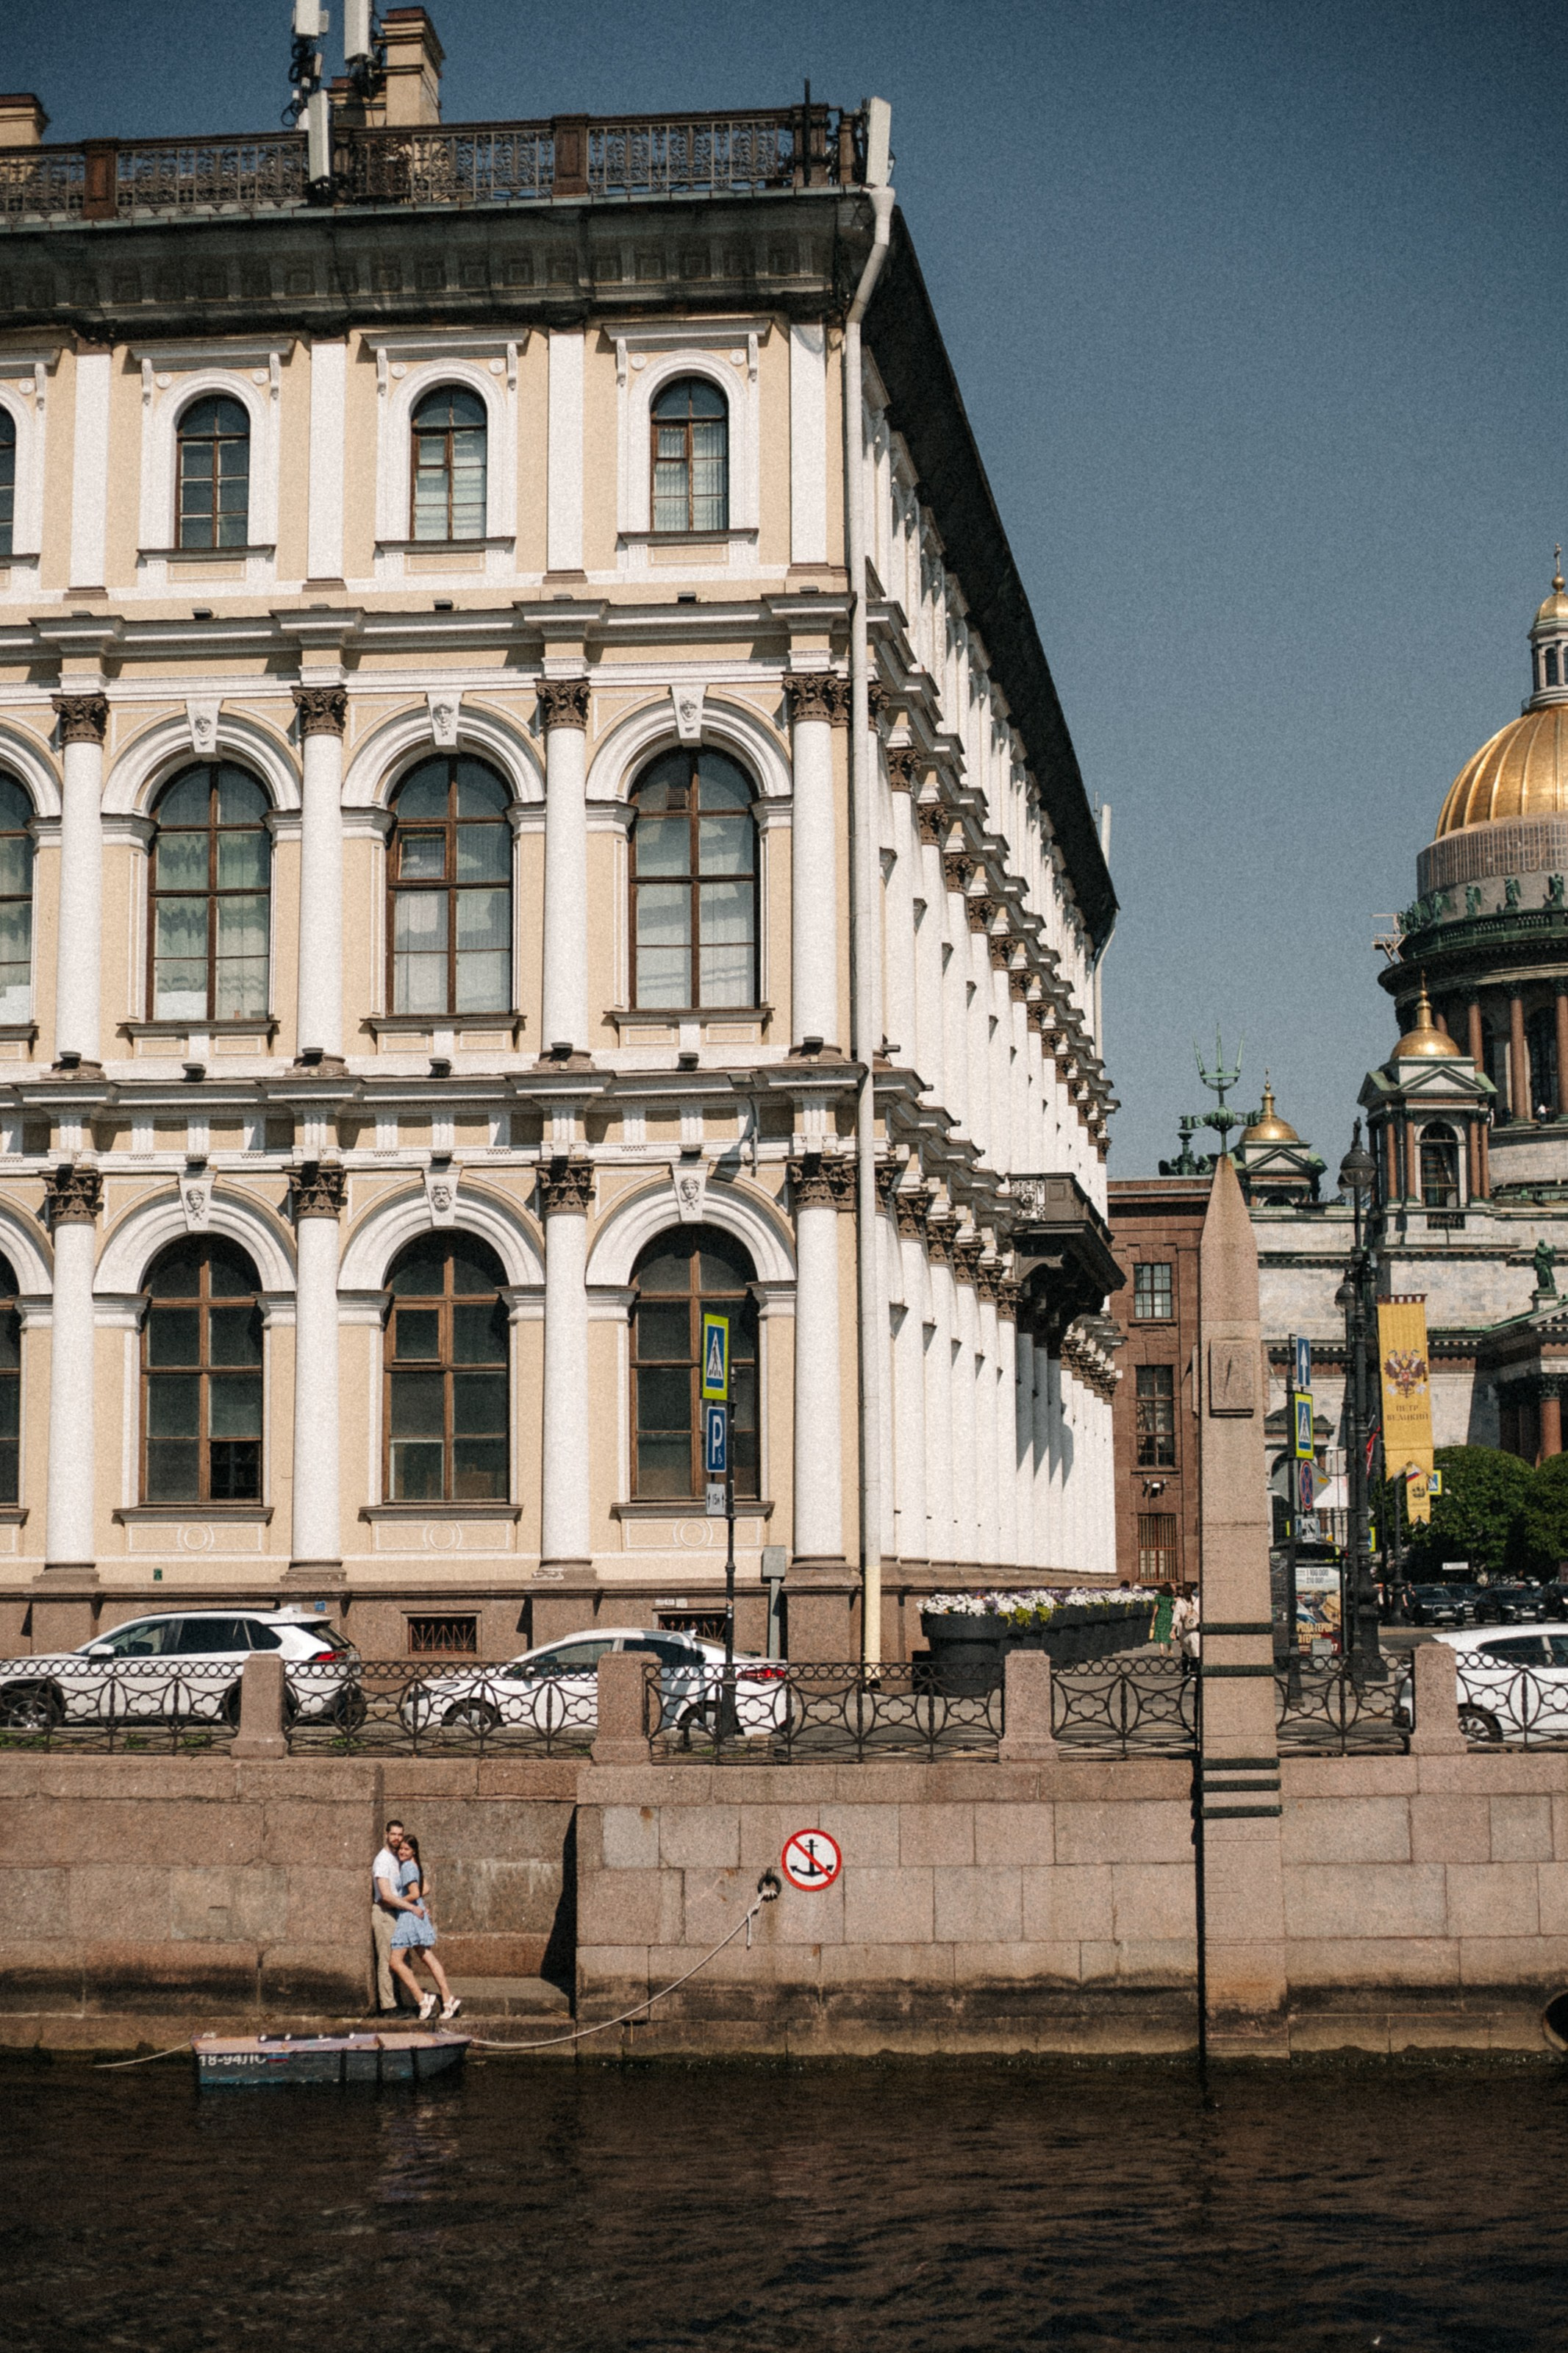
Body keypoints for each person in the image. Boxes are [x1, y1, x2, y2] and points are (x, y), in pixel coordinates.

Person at [387, 1833, 461, 2024]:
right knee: (428, 1957)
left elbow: (413, 1893)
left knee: (395, 1962)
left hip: (408, 1917)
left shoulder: (407, 1867)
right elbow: (424, 1889)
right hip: (416, 1915)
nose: (402, 1852)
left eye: (406, 1849)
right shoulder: (415, 1866)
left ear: (413, 1851)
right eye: (401, 1849)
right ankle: (447, 1999)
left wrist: (395, 1902)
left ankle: (423, 1999)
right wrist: (418, 1902)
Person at [371, 1818, 407, 2016]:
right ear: (386, 1835)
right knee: (386, 1961)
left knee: (396, 1961)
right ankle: (388, 2006)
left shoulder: (396, 1858)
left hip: (395, 1913)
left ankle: (396, 2002)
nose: (397, 1838)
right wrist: (410, 1907)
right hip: (384, 1913)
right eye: (393, 1834)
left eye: (400, 1835)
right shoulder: (383, 1860)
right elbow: (385, 1895)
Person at [1152, 1581, 1176, 1656]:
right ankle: (1169, 1650)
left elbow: (1156, 1608)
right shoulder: (1171, 1597)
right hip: (1169, 1615)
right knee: (1168, 1632)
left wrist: (1153, 1618)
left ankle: (1162, 1650)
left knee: (1160, 1632)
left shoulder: (1158, 1597)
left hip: (1160, 1615)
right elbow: (1173, 1607)